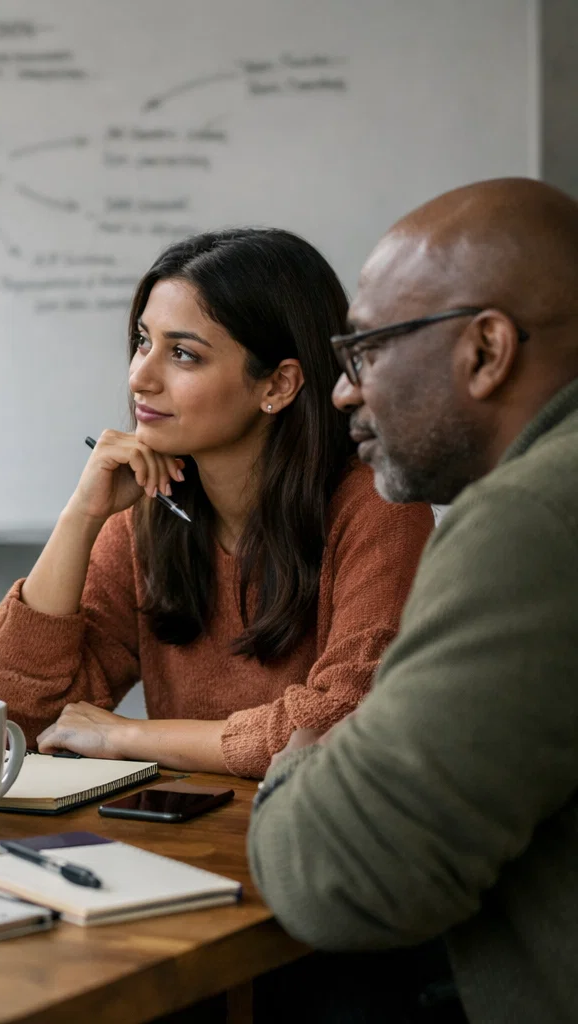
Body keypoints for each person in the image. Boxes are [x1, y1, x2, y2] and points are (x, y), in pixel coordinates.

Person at [247, 178, 578, 1022]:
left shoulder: (532, 518)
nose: (343, 391)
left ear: (486, 350)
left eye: (367, 351)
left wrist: (295, 766)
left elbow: (344, 877)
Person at [0, 228, 435, 778]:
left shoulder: (379, 509)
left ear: (279, 385)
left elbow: (341, 723)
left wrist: (130, 736)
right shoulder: (147, 512)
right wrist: (81, 516)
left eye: (183, 354)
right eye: (144, 341)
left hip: (315, 845)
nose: (139, 376)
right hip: (182, 837)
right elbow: (16, 717)